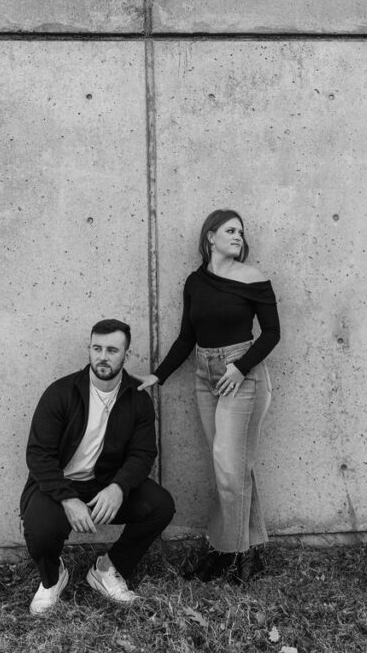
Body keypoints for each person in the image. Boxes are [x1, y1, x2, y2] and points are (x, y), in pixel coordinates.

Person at [138, 209, 280, 584]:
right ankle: (249, 552)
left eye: (241, 232)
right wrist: (159, 374)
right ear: (210, 237)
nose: (238, 236)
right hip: (205, 375)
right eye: (230, 230)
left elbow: (271, 334)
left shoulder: (254, 278)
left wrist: (240, 366)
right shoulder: (194, 283)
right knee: (231, 469)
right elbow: (187, 336)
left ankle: (226, 555)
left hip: (242, 376)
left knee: (230, 471)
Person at [20, 318, 175, 615]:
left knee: (161, 505)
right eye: (97, 348)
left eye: (112, 350)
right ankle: (53, 577)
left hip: (106, 484)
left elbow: (143, 454)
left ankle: (107, 569)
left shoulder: (137, 399)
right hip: (60, 485)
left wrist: (119, 487)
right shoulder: (61, 392)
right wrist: (67, 498)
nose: (103, 356)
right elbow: (39, 455)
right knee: (39, 530)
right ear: (89, 350)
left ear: (126, 355)